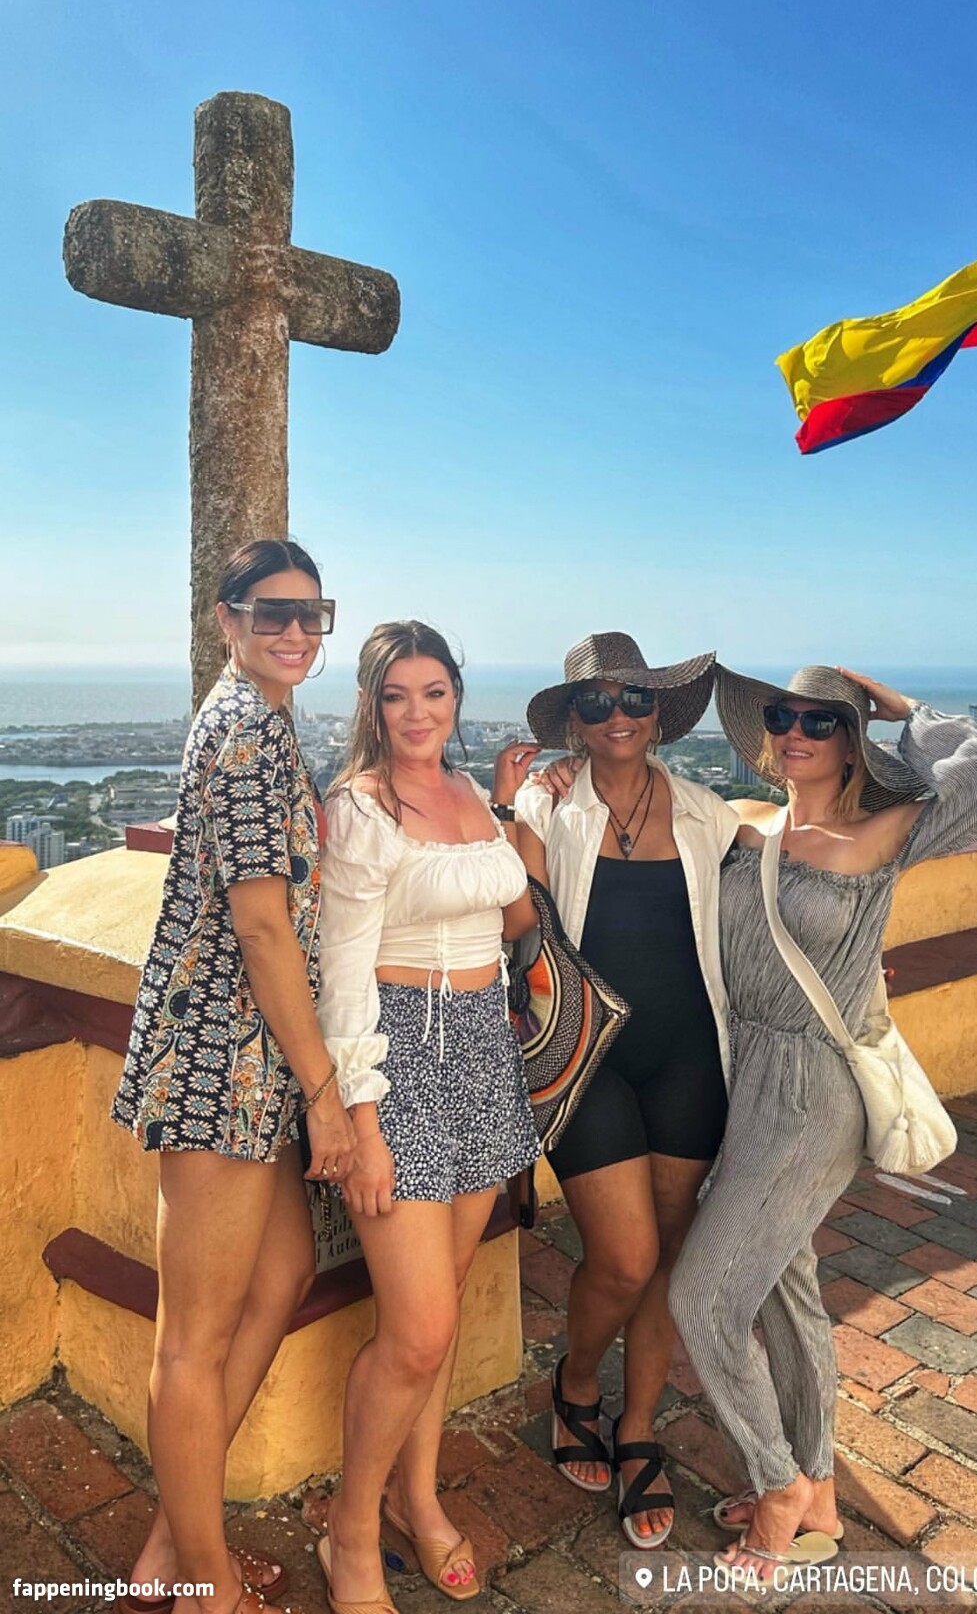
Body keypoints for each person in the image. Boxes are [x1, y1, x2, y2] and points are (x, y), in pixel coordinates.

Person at [668, 665, 977, 1583]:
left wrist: (900, 705)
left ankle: (777, 1486)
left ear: (853, 740)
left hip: (810, 1093)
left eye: (821, 721)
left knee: (703, 1298)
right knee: (786, 1290)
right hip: (738, 1075)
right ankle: (819, 1487)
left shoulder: (886, 831)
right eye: (782, 716)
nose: (796, 732)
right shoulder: (749, 823)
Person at [112, 539, 354, 1614]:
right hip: (223, 1058)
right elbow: (261, 927)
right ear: (228, 620)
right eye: (272, 614)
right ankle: (207, 1589)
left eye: (311, 615)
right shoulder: (248, 731)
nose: (295, 632)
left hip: (248, 1059)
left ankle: (176, 1544)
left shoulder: (260, 715)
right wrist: (324, 1093)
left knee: (281, 1272)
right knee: (194, 1344)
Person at [315, 621, 542, 1612]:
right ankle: (350, 1530)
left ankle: (416, 1494)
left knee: (440, 1309)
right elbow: (342, 980)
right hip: (398, 1056)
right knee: (417, 1331)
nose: (417, 712)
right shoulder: (360, 808)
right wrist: (361, 1126)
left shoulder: (473, 797)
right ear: (371, 703)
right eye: (397, 694)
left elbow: (511, 912)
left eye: (434, 691)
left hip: (483, 1050)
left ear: (456, 697)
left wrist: (515, 805)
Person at [513, 632, 739, 1550]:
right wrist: (511, 803)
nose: (618, 716)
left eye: (635, 699)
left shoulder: (707, 812)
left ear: (660, 715)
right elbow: (517, 920)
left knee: (668, 1255)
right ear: (575, 720)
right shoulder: (545, 804)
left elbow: (783, 893)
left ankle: (638, 1426)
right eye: (597, 702)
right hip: (586, 1057)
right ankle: (576, 1381)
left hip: (690, 1055)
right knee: (623, 1257)